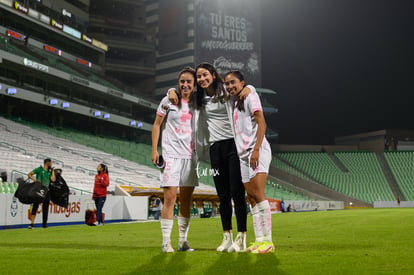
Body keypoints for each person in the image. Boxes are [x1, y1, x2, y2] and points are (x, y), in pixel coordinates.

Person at [168, 62, 250, 252]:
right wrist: (171, 91)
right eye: (199, 77)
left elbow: (243, 87)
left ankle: (242, 237)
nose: (202, 79)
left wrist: (249, 88)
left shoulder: (227, 92)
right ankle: (226, 237)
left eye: (205, 75)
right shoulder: (199, 98)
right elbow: (181, 91)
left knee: (237, 193)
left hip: (233, 145)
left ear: (213, 75)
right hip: (215, 148)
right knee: (222, 195)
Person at [224, 70, 274, 254]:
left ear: (242, 83)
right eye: (227, 83)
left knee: (259, 195)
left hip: (257, 151)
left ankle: (268, 241)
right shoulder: (232, 101)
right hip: (243, 156)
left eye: (233, 83)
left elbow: (262, 124)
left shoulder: (250, 97)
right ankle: (259, 240)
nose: (230, 86)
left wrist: (256, 150)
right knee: (251, 198)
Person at [152, 66, 199, 253]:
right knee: (170, 198)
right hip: (171, 155)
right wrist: (155, 149)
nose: (185, 84)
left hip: (191, 156)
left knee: (186, 201)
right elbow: (157, 124)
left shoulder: (199, 102)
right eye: (182, 81)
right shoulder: (168, 100)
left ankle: (182, 241)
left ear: (195, 85)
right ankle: (165, 242)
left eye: (189, 81)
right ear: (178, 83)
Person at [27, 158, 56, 229]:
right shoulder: (39, 169)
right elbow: (29, 174)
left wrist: (53, 171)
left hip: (47, 191)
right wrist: (35, 180)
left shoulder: (49, 171)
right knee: (35, 206)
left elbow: (53, 179)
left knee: (45, 207)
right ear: (47, 163)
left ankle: (44, 224)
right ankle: (32, 223)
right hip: (39, 190)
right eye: (51, 163)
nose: (51, 164)